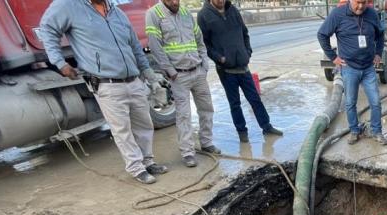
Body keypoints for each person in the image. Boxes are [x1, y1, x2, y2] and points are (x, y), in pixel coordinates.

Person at [40, 0, 169, 184]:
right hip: (106, 83)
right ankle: (136, 168)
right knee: (122, 129)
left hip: (133, 80)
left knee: (144, 124)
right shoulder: (68, 6)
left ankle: (148, 162)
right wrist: (60, 63)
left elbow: (134, 47)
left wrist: (148, 73)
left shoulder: (117, 13)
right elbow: (47, 29)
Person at [146, 0, 222, 168]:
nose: (175, 2)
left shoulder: (186, 13)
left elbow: (199, 40)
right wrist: (170, 70)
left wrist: (204, 64)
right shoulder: (154, 14)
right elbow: (155, 46)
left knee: (207, 108)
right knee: (184, 115)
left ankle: (207, 142)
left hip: (197, 71)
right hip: (178, 75)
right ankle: (187, 152)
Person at [198, 0, 283, 144]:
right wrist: (220, 59)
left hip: (243, 66)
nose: (221, 1)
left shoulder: (233, 11)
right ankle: (242, 132)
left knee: (254, 99)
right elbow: (205, 44)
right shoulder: (204, 16)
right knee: (235, 103)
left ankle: (266, 126)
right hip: (226, 70)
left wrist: (247, 52)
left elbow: (245, 33)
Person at [318, 0, 387, 146]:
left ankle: (376, 131)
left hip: (368, 67)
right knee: (350, 102)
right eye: (357, 2)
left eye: (364, 2)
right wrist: (333, 57)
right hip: (349, 68)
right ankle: (354, 131)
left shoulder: (372, 13)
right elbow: (322, 35)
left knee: (375, 102)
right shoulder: (338, 14)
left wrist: (378, 53)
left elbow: (380, 34)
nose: (361, 6)